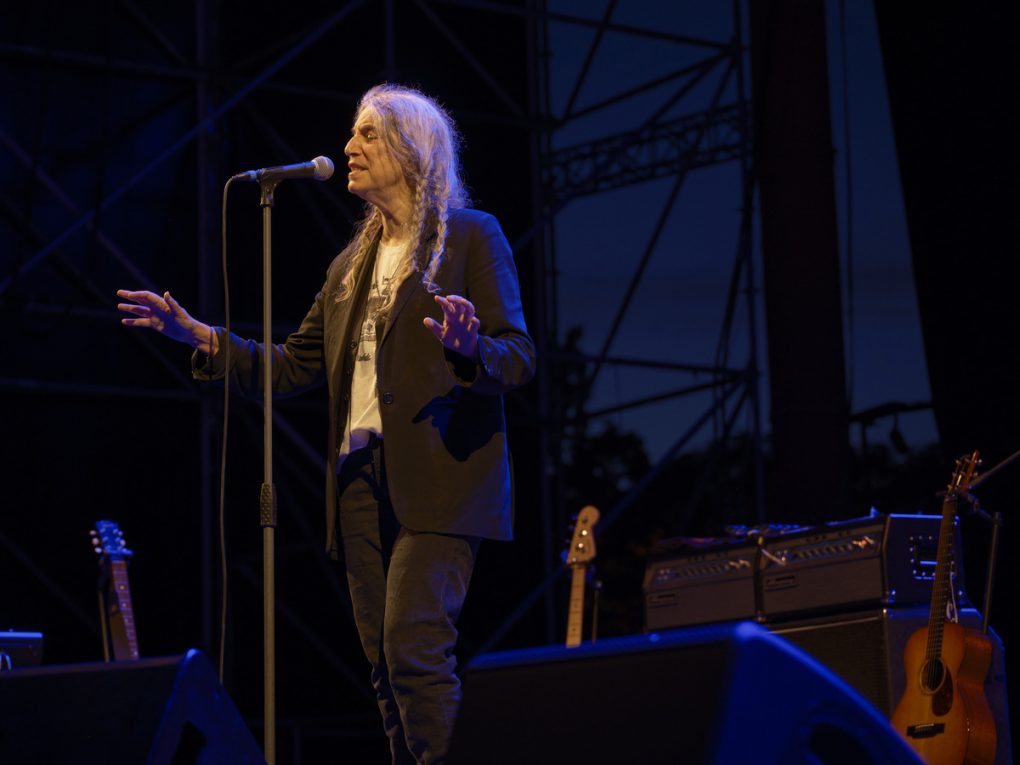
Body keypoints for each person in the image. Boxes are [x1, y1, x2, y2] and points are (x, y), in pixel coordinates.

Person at [117, 83, 536, 764]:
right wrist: (201, 337)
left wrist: (469, 349)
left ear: (411, 149)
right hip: (358, 483)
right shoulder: (349, 266)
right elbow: (291, 366)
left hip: (441, 476)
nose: (349, 147)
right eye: (353, 133)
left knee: (414, 649)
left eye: (368, 133)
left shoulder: (469, 236)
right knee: (385, 668)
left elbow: (517, 356)